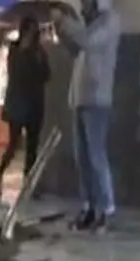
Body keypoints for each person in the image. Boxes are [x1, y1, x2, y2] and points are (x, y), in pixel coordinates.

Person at [51, 0, 121, 232]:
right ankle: (89, 207)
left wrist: (65, 21)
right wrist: (60, 30)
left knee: (96, 156)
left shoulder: (109, 22)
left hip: (97, 99)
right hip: (80, 98)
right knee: (83, 160)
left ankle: (107, 210)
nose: (83, 6)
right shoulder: (89, 25)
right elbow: (76, 48)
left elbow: (88, 41)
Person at [0, 15, 51, 196]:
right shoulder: (15, 49)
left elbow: (46, 76)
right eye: (29, 30)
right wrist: (25, 54)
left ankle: (30, 185)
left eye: (35, 31)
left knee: (32, 147)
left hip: (34, 103)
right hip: (18, 102)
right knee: (14, 144)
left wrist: (38, 59)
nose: (32, 34)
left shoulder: (40, 52)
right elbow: (14, 74)